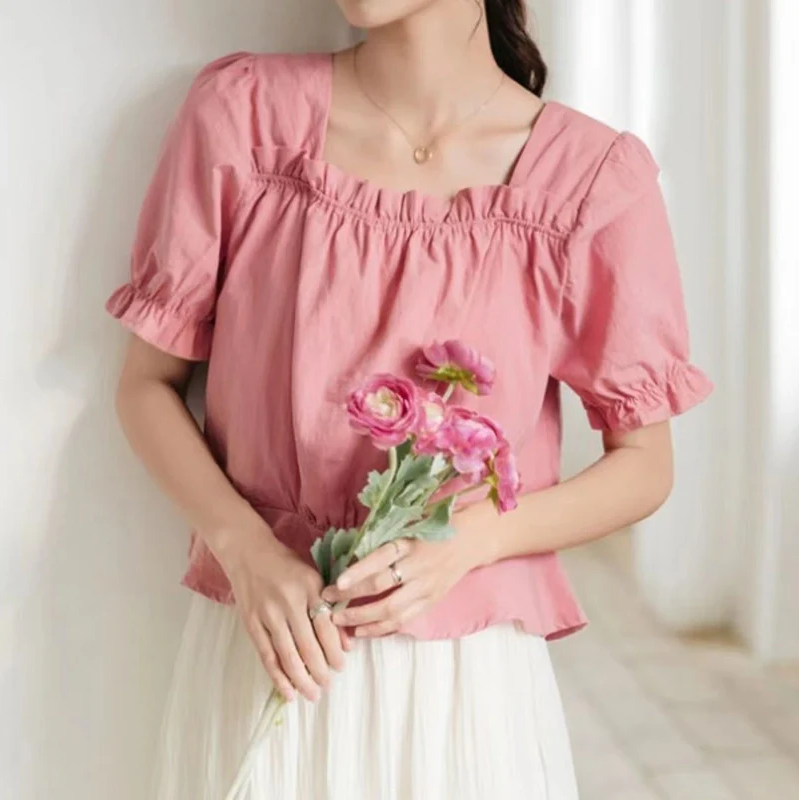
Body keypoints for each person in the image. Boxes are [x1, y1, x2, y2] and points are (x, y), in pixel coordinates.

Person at [108, 1, 712, 797]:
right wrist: (247, 553)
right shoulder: (244, 118)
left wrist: (471, 541)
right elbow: (145, 387)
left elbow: (645, 464)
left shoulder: (592, 184)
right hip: (271, 648)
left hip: (461, 681)